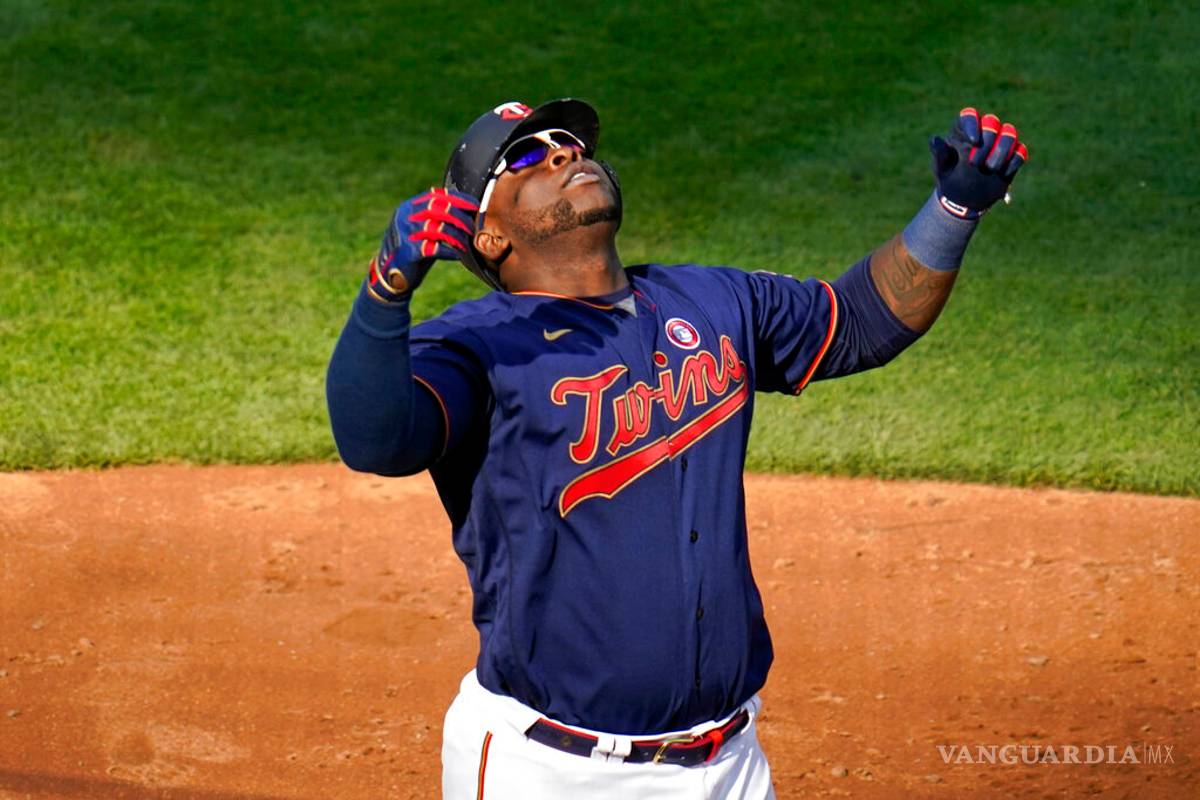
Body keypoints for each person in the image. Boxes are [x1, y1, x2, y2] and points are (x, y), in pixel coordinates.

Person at [325, 99, 1027, 799]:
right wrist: (386, 290)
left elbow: (860, 322)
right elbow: (377, 441)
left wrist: (955, 207)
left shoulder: (711, 300)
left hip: (730, 765)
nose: (566, 153)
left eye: (571, 142)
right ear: (488, 236)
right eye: (528, 156)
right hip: (547, 771)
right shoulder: (474, 345)